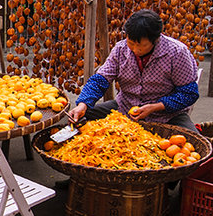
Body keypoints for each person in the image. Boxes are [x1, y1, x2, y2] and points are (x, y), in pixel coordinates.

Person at [67, 9, 200, 133]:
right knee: (79, 119)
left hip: (166, 115)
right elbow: (100, 80)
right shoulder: (120, 50)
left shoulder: (177, 52)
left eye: (141, 45)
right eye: (131, 43)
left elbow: (189, 93)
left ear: (155, 40)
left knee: (195, 148)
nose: (135, 50)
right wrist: (83, 104)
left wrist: (155, 107)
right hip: (125, 107)